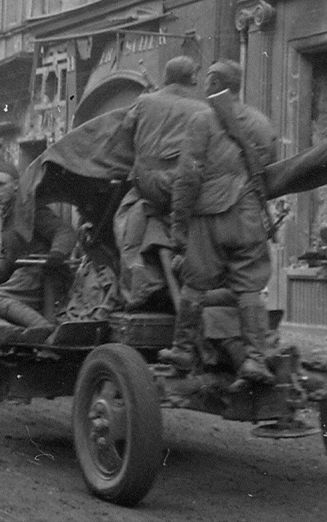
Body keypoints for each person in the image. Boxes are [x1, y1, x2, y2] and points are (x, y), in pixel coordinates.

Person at [161, 58, 279, 385]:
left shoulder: (202, 120)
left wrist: (178, 228)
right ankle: (255, 358)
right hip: (249, 214)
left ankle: (183, 351)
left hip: (208, 216)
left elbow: (187, 177)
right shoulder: (261, 122)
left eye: (208, 79)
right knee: (249, 287)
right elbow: (270, 168)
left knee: (194, 285)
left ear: (214, 82)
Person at [115, 55, 208, 309]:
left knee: (123, 219)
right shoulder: (203, 109)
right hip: (183, 188)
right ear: (191, 79)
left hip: (146, 183)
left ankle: (140, 279)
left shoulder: (144, 101)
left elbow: (125, 130)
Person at [0, 160, 77, 343]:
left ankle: (46, 331)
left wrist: (57, 254)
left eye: (1, 184)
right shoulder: (9, 214)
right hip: (23, 276)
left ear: (16, 185)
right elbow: (8, 254)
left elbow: (64, 231)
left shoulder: (29, 210)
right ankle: (16, 335)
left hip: (40, 275)